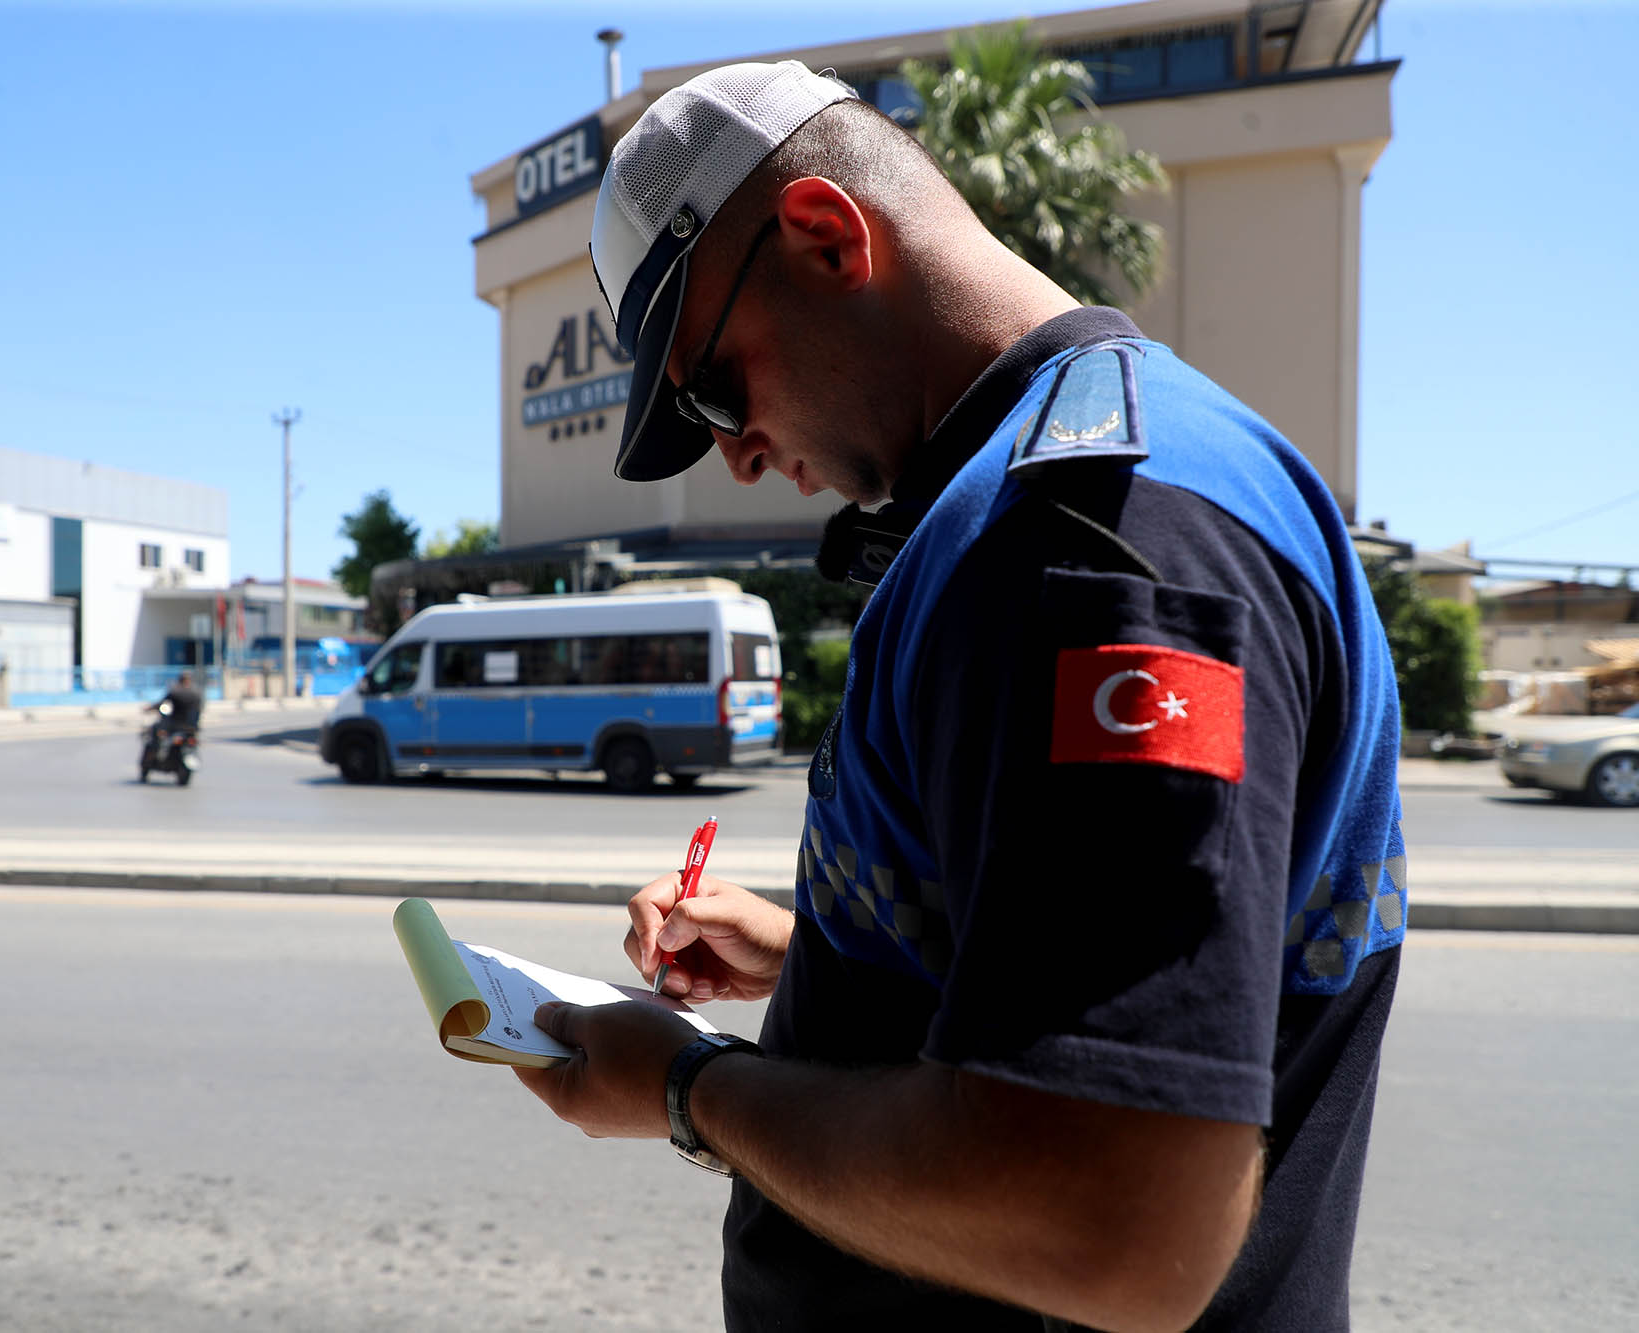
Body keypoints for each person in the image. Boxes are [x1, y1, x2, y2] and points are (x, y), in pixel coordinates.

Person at [512, 60, 1405, 1332]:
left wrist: (685, 1086)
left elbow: (1118, 1222)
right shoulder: (1075, 491)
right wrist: (821, 959)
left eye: (713, 388)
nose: (738, 452)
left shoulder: (1086, 542)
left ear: (825, 235)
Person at [148, 670, 204, 743]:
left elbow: (163, 701)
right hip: (186, 725)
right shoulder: (192, 692)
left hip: (181, 725)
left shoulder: (179, 692)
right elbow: (163, 702)